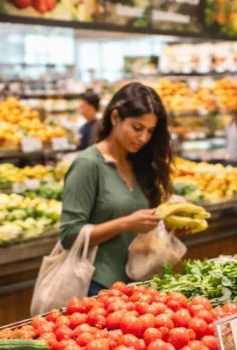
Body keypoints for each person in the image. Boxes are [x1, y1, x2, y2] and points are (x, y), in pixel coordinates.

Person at [60, 82, 173, 295]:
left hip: (137, 284)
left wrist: (167, 227)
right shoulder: (88, 164)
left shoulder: (140, 164)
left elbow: (137, 228)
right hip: (97, 287)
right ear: (115, 118)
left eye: (150, 131)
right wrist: (126, 223)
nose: (143, 138)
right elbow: (69, 235)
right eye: (137, 128)